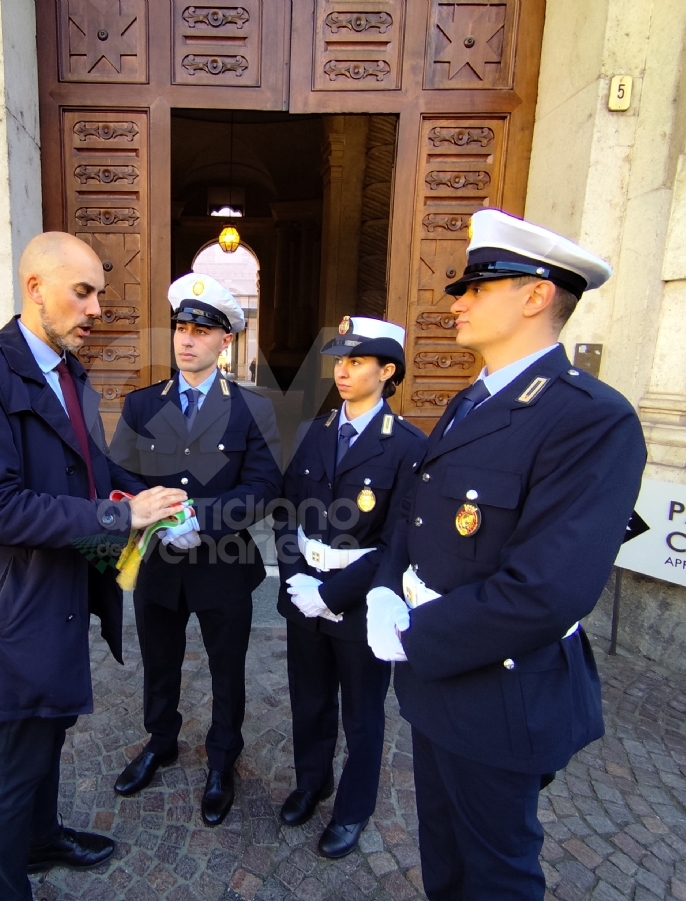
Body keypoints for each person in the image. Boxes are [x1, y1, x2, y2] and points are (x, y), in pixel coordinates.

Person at [366, 208, 647, 900]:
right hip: (437, 683)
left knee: (496, 873)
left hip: (499, 692)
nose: (455, 301)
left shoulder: (589, 416)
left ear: (535, 295)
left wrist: (415, 632)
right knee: (444, 851)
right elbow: (415, 506)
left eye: (477, 287)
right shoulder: (471, 401)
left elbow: (548, 590)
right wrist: (383, 586)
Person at [0, 231, 187, 901]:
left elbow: (91, 469)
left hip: (63, 592)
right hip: (14, 607)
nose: (96, 308)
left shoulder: (71, 372)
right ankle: (6, 887)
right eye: (83, 292)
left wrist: (145, 495)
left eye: (99, 293)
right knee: (20, 753)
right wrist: (116, 519)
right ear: (34, 288)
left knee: (51, 725)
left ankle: (43, 837)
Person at [109, 272, 282, 826]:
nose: (186, 339)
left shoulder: (252, 408)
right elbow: (119, 475)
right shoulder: (141, 405)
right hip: (157, 561)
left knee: (226, 669)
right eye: (181, 328)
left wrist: (201, 520)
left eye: (200, 331)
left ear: (224, 341)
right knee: (159, 663)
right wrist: (158, 517)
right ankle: (160, 742)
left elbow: (262, 488)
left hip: (221, 567)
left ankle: (222, 759)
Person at [274, 316, 427, 858]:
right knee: (308, 701)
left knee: (362, 713)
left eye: (357, 361)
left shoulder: (408, 446)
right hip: (303, 593)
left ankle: (352, 808)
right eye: (339, 360)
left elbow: (398, 543)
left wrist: (334, 595)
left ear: (387, 371)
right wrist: (295, 576)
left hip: (362, 605)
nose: (342, 371)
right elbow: (286, 512)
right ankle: (311, 783)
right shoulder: (314, 433)